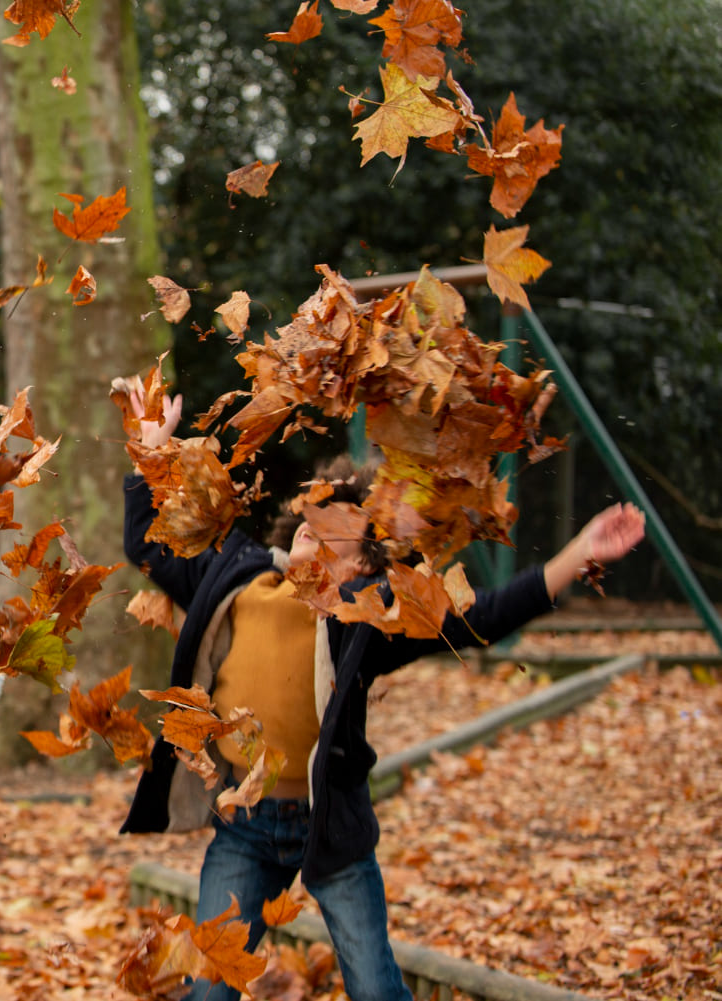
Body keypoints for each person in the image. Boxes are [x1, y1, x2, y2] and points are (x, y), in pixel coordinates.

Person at [118, 392, 646, 1001]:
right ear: (296, 532)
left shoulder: (366, 622)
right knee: (209, 989)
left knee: (374, 986)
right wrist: (151, 452)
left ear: (365, 566)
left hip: (332, 827)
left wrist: (577, 555)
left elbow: (482, 617)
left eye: (341, 546)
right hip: (244, 826)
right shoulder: (238, 578)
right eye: (314, 534)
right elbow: (150, 548)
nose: (321, 549)